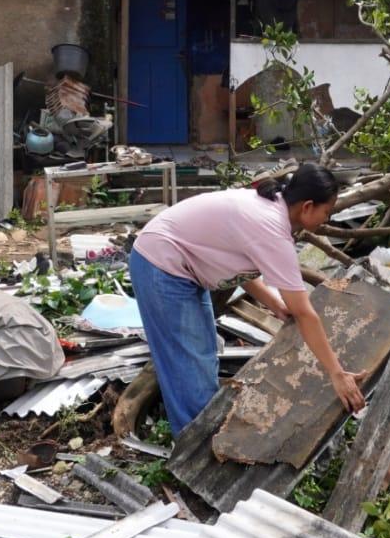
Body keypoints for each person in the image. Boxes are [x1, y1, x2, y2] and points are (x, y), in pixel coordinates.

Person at [128, 163, 366, 433]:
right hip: (162, 263)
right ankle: (193, 448)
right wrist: (337, 374)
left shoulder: (271, 210)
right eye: (327, 212)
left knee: (202, 356)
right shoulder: (271, 228)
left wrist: (274, 303)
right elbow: (304, 312)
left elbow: (238, 261)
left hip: (177, 264)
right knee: (190, 367)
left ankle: (199, 437)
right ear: (308, 206)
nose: (327, 219)